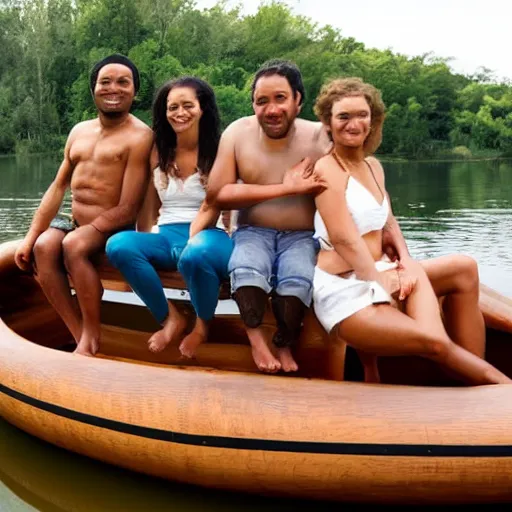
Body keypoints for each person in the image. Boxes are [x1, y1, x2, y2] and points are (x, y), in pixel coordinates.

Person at [310, 76, 511, 385]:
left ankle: (472, 386)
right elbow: (343, 238)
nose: (354, 124)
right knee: (434, 341)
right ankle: (499, 388)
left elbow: (388, 221)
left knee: (464, 268)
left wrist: (404, 261)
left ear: (373, 119)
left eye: (362, 115)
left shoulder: (373, 166)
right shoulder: (327, 169)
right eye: (343, 116)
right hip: (345, 286)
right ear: (328, 122)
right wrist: (379, 283)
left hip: (381, 269)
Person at [14, 54, 154, 357]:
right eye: (105, 82)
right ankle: (80, 335)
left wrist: (91, 230)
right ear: (94, 89)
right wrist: (29, 236)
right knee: (43, 247)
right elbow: (57, 187)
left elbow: (129, 206)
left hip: (113, 226)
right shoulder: (78, 131)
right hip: (76, 222)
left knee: (73, 245)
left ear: (134, 91)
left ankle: (92, 332)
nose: (113, 88)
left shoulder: (141, 136)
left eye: (122, 82)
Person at [205, 59, 331, 373]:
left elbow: (356, 190)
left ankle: (285, 342)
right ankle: (256, 339)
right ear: (253, 104)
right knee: (247, 270)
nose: (271, 109)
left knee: (297, 280)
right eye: (262, 101)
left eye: (280, 99)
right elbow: (218, 194)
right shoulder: (237, 133)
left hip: (302, 235)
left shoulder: (321, 137)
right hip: (252, 230)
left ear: (298, 100)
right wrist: (284, 188)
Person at [106, 76, 232, 357]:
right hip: (166, 235)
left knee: (195, 254)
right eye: (172, 107)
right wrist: (141, 240)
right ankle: (170, 318)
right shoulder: (158, 152)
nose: (180, 113)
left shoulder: (222, 149)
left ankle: (202, 326)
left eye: (188, 105)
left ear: (203, 108)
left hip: (211, 237)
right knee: (119, 245)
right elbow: (149, 207)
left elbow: (233, 207)